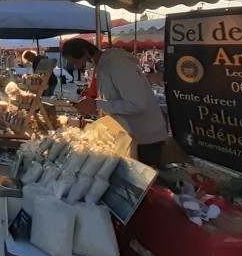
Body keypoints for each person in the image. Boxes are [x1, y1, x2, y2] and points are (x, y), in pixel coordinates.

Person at [62, 38, 168, 167]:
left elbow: (137, 104)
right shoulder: (103, 66)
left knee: (148, 180)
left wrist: (96, 104)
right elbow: (114, 98)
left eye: (75, 61)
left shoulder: (118, 64)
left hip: (146, 136)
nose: (76, 67)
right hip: (131, 134)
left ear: (85, 53)